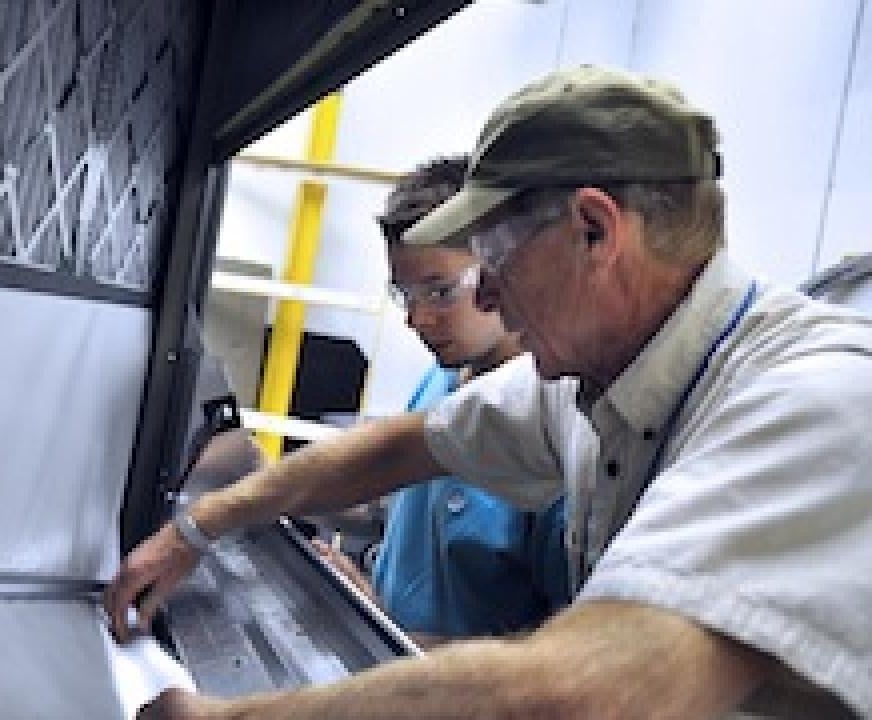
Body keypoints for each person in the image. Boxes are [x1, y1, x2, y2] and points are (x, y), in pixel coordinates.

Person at [110, 65, 872, 719]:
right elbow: (411, 443)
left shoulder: (816, 401)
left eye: (496, 259)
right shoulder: (596, 380)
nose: (491, 297)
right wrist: (197, 529)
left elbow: (578, 694)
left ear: (595, 232)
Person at [311, 155, 569, 647]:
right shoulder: (440, 379)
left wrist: (392, 635)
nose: (417, 319)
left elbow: (555, 648)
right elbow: (410, 511)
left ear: (505, 271)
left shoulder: (556, 429)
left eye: (440, 291)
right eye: (404, 293)